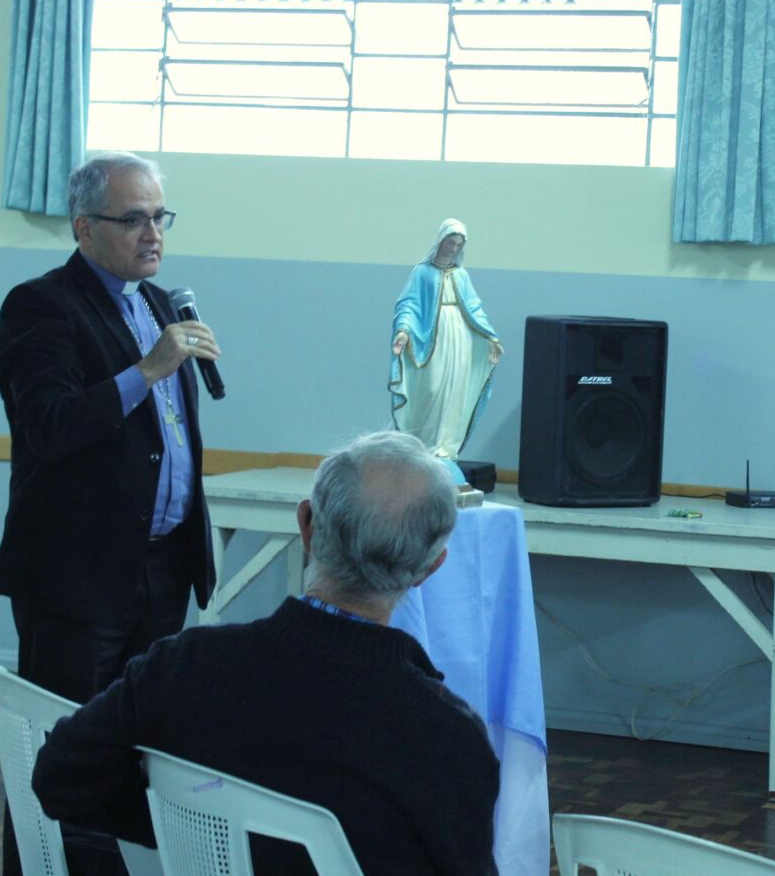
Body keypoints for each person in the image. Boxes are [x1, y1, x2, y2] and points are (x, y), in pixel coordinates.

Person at [32, 431, 501, 875]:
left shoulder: (184, 665)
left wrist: (192, 830)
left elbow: (60, 776)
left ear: (307, 526)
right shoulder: (448, 737)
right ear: (429, 567)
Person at [0, 152, 220, 872]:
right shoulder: (42, 305)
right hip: (78, 579)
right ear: (85, 229)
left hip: (159, 571)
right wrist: (148, 370)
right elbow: (50, 425)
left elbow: (166, 440)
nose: (153, 233)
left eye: (161, 216)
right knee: (59, 748)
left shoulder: (156, 304)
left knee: (133, 748)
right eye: (134, 219)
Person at [389, 218, 503, 461]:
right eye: (450, 242)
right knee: (431, 388)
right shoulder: (422, 272)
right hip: (432, 338)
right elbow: (409, 303)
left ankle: (445, 449)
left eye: (458, 245)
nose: (453, 248)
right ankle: (423, 446)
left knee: (454, 393)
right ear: (441, 241)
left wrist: (491, 338)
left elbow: (475, 308)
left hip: (461, 337)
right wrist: (403, 330)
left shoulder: (461, 275)